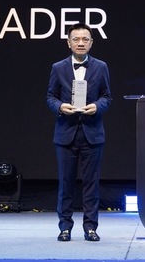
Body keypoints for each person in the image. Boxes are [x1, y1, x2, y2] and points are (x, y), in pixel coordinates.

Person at [46, 22, 112, 242]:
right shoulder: (58, 67)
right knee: (65, 184)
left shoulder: (101, 67)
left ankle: (90, 228)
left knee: (91, 185)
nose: (81, 43)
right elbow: (50, 97)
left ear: (91, 42)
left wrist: (97, 107)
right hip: (65, 133)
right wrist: (59, 107)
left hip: (92, 133)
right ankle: (65, 227)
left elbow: (107, 97)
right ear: (69, 43)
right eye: (76, 39)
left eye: (85, 39)